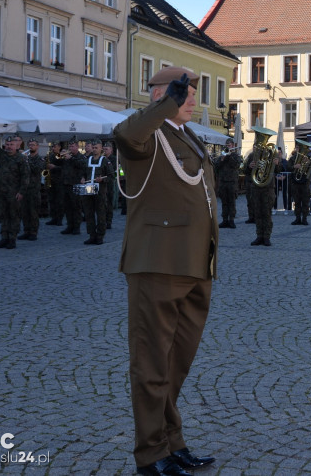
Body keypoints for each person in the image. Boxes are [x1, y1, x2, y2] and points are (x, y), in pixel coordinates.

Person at [113, 67, 218, 476]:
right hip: (157, 264)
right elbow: (124, 135)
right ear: (158, 95)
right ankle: (150, 454)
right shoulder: (146, 135)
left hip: (194, 265)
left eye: (191, 92)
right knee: (152, 363)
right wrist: (163, 105)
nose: (191, 99)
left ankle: (172, 442)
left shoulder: (185, 135)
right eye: (181, 93)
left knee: (176, 364)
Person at [246, 128, 277, 246]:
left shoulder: (271, 154)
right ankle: (259, 236)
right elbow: (245, 171)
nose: (260, 146)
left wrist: (276, 164)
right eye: (258, 144)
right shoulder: (252, 156)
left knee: (267, 213)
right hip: (256, 188)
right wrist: (249, 166)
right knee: (257, 213)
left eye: (261, 143)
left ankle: (267, 236)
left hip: (268, 188)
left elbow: (279, 170)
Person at [81, 138, 113, 245]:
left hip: (100, 191)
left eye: (96, 148)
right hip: (88, 189)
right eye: (93, 148)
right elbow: (83, 173)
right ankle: (92, 235)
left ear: (101, 148)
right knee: (89, 213)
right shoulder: (88, 159)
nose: (94, 150)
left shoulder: (105, 161)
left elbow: (111, 176)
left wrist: (102, 179)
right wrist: (82, 178)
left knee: (100, 214)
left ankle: (100, 236)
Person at [212, 138, 242, 229]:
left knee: (232, 202)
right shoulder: (222, 155)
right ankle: (225, 220)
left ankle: (231, 220)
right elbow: (216, 167)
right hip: (223, 182)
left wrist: (229, 156)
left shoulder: (235, 155)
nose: (227, 147)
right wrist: (222, 159)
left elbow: (236, 165)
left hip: (232, 182)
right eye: (226, 145)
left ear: (233, 145)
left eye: (229, 145)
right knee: (224, 202)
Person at [19, 139, 45, 241]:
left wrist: (27, 160)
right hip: (25, 189)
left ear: (37, 146)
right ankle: (26, 231)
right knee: (24, 212)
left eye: (33, 145)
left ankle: (33, 232)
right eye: (29, 145)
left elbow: (36, 170)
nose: (31, 147)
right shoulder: (25, 158)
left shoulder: (40, 159)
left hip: (34, 189)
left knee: (33, 212)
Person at [60, 139, 87, 236]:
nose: (70, 148)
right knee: (67, 207)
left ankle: (76, 227)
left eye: (72, 146)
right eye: (69, 147)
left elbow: (82, 165)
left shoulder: (81, 157)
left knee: (76, 207)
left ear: (77, 147)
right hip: (66, 184)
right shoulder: (67, 157)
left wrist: (70, 158)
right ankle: (69, 225)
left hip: (75, 184)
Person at [289, 139, 311, 225]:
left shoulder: (308, 157)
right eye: (297, 147)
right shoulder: (293, 158)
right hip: (295, 183)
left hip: (305, 183)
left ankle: (304, 218)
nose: (298, 149)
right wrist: (294, 166)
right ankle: (297, 218)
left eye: (300, 147)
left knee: (305, 201)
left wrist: (308, 163)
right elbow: (288, 167)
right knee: (296, 201)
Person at [45, 141, 66, 226]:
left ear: (59, 147)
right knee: (52, 200)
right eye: (52, 146)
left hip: (59, 180)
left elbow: (65, 168)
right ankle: (53, 218)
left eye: (55, 146)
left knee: (59, 201)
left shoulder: (62, 156)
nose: (53, 148)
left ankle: (59, 219)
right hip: (51, 179)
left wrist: (55, 167)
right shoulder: (50, 155)